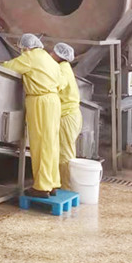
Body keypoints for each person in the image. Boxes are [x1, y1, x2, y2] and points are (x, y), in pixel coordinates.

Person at [0, 33, 61, 199]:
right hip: (54, 101)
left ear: (26, 47)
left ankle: (41, 187)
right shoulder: (49, 59)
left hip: (40, 101)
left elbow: (8, 67)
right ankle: (52, 183)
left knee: (40, 143)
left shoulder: (30, 57)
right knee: (52, 143)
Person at [51, 42, 82, 190]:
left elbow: (57, 85)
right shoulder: (65, 67)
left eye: (53, 52)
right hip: (71, 114)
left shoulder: (62, 69)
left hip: (67, 117)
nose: (51, 54)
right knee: (64, 153)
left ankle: (67, 189)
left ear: (59, 55)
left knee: (65, 156)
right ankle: (64, 186)